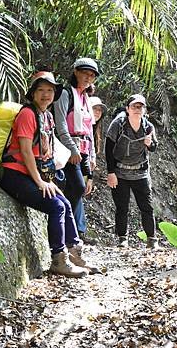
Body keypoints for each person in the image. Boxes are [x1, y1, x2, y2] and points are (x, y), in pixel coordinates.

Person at [0, 71, 100, 277]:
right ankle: (58, 260)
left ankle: (74, 255)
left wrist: (48, 180)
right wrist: (40, 182)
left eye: (50, 91)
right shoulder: (28, 114)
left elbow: (45, 153)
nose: (46, 95)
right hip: (15, 174)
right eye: (41, 90)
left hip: (33, 174)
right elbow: (26, 151)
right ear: (33, 93)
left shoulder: (47, 116)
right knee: (56, 206)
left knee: (65, 203)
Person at [53, 58, 98, 242]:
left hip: (83, 150)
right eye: (85, 73)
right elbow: (61, 124)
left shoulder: (85, 98)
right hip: (68, 150)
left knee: (77, 188)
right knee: (77, 187)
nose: (88, 78)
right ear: (76, 72)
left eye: (92, 75)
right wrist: (72, 149)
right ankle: (65, 228)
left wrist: (92, 154)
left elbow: (89, 130)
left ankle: (67, 231)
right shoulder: (66, 94)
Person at [105, 94, 159, 249]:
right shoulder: (118, 124)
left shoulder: (148, 127)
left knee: (146, 207)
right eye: (134, 106)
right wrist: (111, 172)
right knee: (122, 207)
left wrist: (149, 144)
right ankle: (122, 238)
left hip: (140, 172)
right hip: (120, 172)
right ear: (128, 109)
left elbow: (154, 147)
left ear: (145, 110)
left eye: (141, 106)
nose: (137, 109)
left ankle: (152, 239)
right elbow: (109, 149)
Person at [72, 95, 107, 244]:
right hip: (76, 162)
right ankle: (78, 230)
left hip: (84, 165)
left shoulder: (93, 129)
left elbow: (90, 150)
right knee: (77, 192)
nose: (98, 112)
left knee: (79, 193)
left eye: (100, 110)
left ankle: (78, 229)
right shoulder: (80, 126)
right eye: (95, 109)